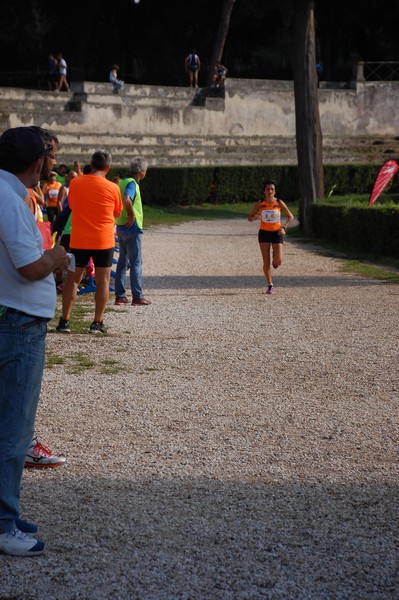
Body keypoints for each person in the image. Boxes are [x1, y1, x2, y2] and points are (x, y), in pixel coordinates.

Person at [0, 126, 69, 556]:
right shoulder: (9, 197)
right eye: (48, 157)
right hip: (19, 324)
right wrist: (58, 259)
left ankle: (4, 513)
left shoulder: (6, 191)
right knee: (14, 430)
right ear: (36, 161)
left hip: (10, 317)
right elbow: (28, 266)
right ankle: (5, 525)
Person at [56, 150, 122, 334]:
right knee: (103, 281)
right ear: (107, 168)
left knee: (73, 280)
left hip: (80, 239)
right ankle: (97, 323)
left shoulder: (76, 183)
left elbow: (73, 206)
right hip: (104, 240)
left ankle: (64, 322)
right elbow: (117, 213)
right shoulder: (113, 188)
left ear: (91, 164)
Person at [114, 157, 152, 306]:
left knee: (123, 262)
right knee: (136, 262)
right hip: (132, 227)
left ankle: (120, 296)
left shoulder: (122, 182)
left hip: (121, 226)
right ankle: (137, 296)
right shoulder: (132, 184)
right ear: (142, 172)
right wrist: (131, 214)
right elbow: (127, 198)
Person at [248, 179, 294, 294]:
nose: (270, 191)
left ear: (275, 191)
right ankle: (270, 285)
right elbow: (250, 217)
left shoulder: (279, 203)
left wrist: (284, 228)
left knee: (278, 261)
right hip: (264, 233)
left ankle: (276, 258)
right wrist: (255, 218)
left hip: (276, 233)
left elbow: (290, 216)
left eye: (272, 189)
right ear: (264, 191)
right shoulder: (260, 203)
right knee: (266, 262)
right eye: (268, 189)